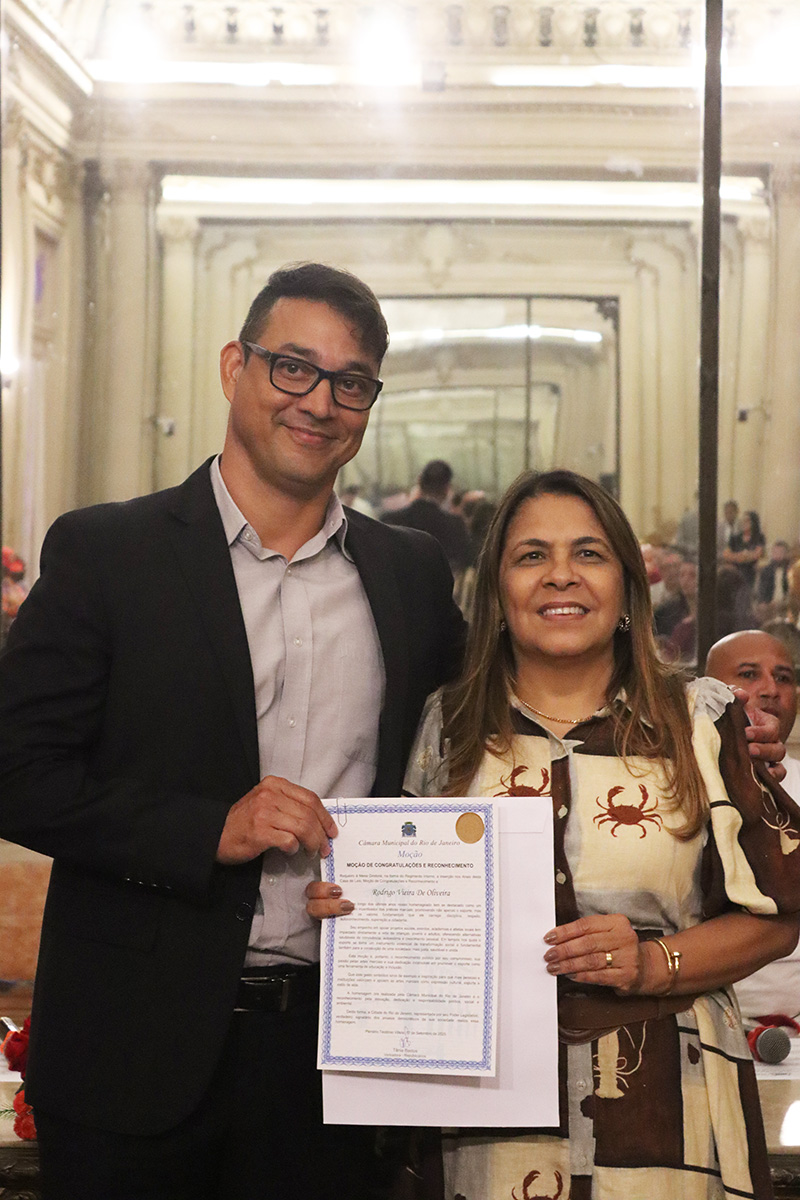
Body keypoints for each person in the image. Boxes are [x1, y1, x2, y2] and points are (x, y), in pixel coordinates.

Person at [0, 262, 467, 1200]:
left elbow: (470, 749)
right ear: (234, 367)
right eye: (292, 367)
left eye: (350, 382)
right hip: (133, 1051)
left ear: (369, 403)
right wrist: (206, 828)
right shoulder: (109, 552)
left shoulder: (410, 573)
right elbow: (17, 770)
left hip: (339, 1055)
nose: (319, 402)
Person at [312, 469, 800, 1200]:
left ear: (629, 586)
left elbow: (781, 914)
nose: (561, 575)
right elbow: (410, 909)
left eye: (589, 553)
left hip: (671, 1112)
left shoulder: (700, 720)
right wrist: (359, 917)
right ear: (498, 591)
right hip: (484, 1119)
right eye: (532, 555)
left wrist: (652, 962)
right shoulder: (447, 727)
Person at [707, 629, 800, 1023]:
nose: (769, 689)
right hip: (704, 1024)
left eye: (783, 677)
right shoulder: (671, 787)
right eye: (748, 674)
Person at [382, 459, 472, 576]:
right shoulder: (455, 525)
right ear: (447, 488)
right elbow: (462, 563)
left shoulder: (390, 520)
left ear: (419, 483)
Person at [724, 508, 766, 592]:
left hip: (751, 570)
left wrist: (738, 556)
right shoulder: (734, 538)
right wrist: (743, 555)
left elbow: (756, 554)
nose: (744, 523)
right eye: (743, 521)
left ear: (754, 522)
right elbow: (726, 555)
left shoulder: (759, 538)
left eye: (747, 521)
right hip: (735, 569)